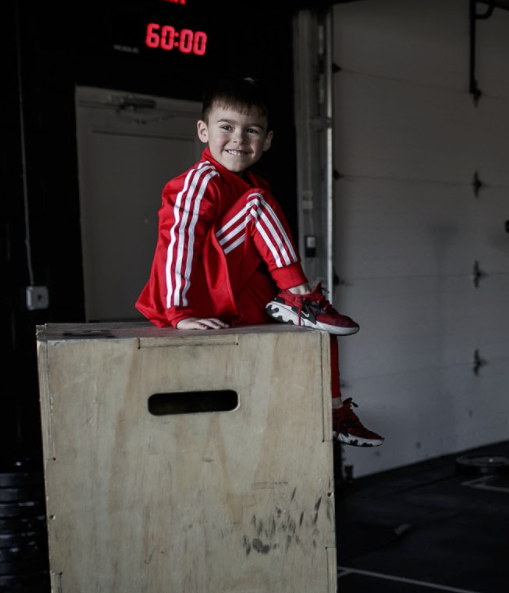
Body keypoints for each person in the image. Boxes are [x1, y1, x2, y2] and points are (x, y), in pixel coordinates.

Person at [136, 76, 382, 447]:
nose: (238, 139)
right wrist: (178, 312)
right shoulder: (202, 181)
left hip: (233, 291)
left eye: (251, 130)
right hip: (190, 296)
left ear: (266, 140)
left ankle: (334, 413)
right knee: (255, 204)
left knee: (321, 328)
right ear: (203, 131)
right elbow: (178, 244)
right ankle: (299, 295)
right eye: (226, 127)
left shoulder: (255, 184)